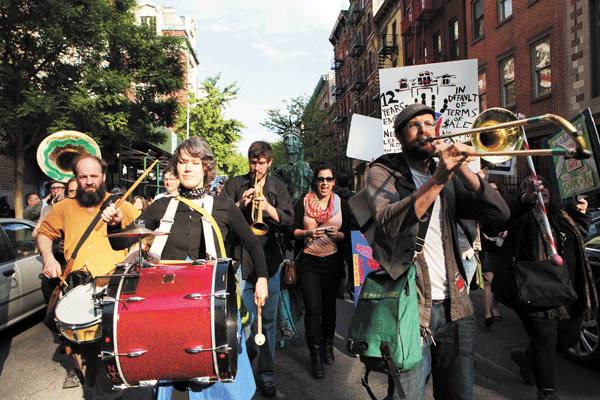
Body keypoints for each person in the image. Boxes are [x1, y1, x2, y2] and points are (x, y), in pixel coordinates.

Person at [351, 104, 510, 400]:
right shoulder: (383, 171)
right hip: (411, 306)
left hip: (456, 307)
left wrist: (461, 167)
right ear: (399, 136)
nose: (424, 130)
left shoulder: (449, 177)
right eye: (414, 126)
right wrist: (438, 177)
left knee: (459, 394)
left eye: (428, 123)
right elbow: (390, 224)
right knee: (406, 395)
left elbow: (500, 213)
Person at [101, 136, 268, 400]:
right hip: (171, 307)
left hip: (212, 307)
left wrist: (261, 279)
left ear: (206, 168)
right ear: (175, 169)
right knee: (177, 374)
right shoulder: (161, 206)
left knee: (221, 374)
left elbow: (252, 242)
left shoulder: (223, 206)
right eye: (182, 162)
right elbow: (121, 241)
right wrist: (114, 223)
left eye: (194, 162)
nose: (187, 168)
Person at [37, 154, 139, 398]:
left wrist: (131, 257)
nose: (89, 181)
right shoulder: (63, 208)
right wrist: (49, 258)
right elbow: (43, 233)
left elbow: (142, 238)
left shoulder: (122, 206)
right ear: (76, 179)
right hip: (77, 290)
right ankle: (97, 387)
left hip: (113, 289)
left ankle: (106, 390)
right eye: (84, 177)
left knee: (110, 349)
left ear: (103, 177)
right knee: (88, 353)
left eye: (94, 176)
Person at [495, 176, 598, 400]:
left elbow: (577, 237)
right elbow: (501, 220)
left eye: (544, 185)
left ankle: (525, 357)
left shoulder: (560, 215)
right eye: (534, 186)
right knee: (545, 340)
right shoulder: (523, 214)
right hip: (534, 288)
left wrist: (580, 213)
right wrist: (525, 200)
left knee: (570, 336)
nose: (541, 188)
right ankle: (547, 392)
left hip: (563, 288)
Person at [221, 140, 294, 398]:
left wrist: (269, 209)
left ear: (269, 162)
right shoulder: (234, 185)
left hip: (270, 261)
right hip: (241, 262)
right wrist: (240, 205)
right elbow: (219, 216)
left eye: (261, 163)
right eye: (253, 162)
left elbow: (289, 221)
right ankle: (245, 374)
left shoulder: (277, 187)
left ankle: (266, 375)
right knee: (247, 324)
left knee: (270, 324)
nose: (256, 168)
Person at [292, 163, 352, 379]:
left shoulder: (342, 204)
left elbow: (352, 231)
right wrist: (306, 233)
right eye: (320, 179)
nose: (324, 183)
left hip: (333, 263)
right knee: (313, 309)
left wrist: (341, 236)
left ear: (334, 182)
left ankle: (327, 346)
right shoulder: (303, 203)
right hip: (309, 262)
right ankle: (315, 355)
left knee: (329, 308)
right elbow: (291, 230)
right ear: (315, 181)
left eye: (328, 179)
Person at [480, 181, 507, 328]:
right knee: (488, 280)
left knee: (498, 281)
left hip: (502, 248)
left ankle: (495, 308)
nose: (493, 191)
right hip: (487, 247)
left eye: (495, 189)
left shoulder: (505, 207)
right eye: (490, 188)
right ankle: (487, 314)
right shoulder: (482, 207)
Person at [274, 126, 313, 202]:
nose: (290, 143)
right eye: (287, 139)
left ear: (300, 144)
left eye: (294, 139)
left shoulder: (304, 168)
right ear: (284, 144)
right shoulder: (280, 170)